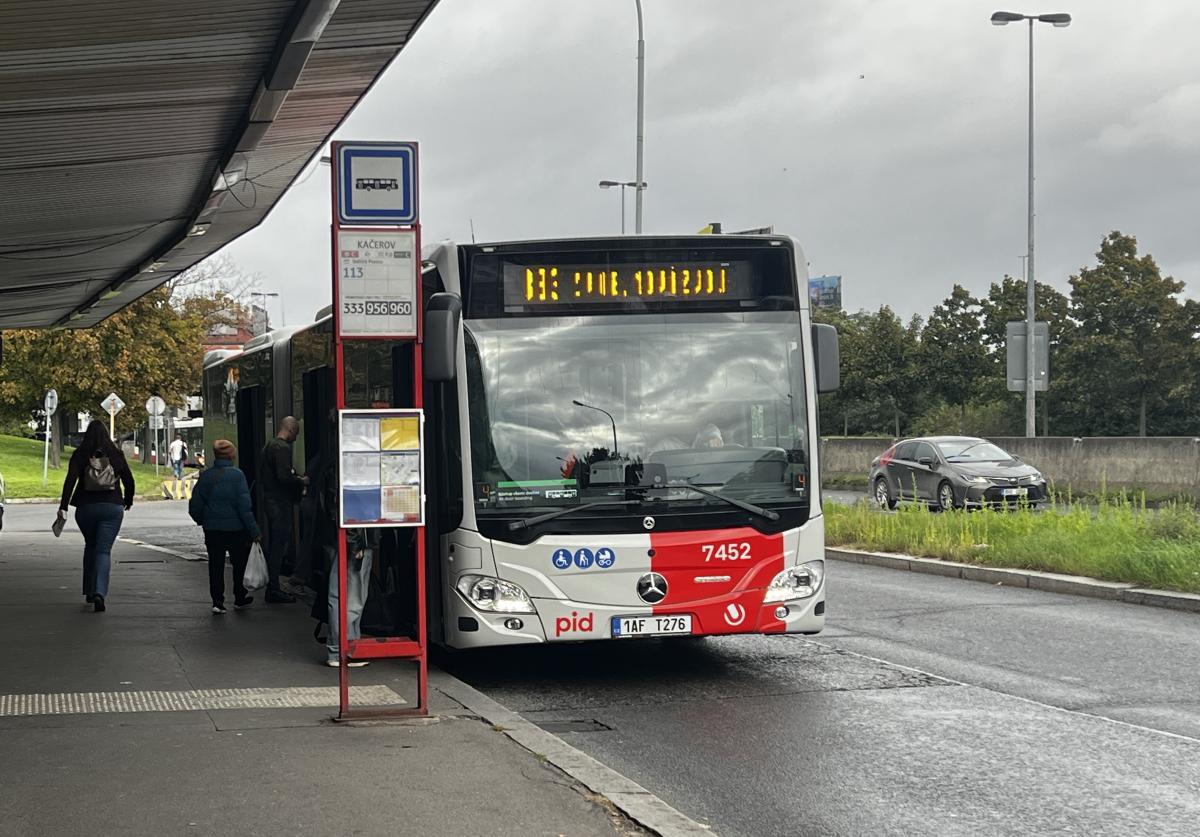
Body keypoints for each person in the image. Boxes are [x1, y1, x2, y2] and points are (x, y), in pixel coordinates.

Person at [58, 420, 135, 612]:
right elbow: (129, 480)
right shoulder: (116, 454)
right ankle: (100, 592)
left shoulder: (80, 454)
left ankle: (90, 591)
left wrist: (63, 506)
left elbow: (70, 481)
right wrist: (128, 500)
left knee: (91, 546)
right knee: (103, 550)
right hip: (112, 507)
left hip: (86, 508)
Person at [189, 439, 260, 614]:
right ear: (231, 455)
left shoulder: (206, 476)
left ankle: (217, 601)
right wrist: (254, 531)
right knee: (239, 563)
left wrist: (203, 520)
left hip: (213, 529)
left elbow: (195, 505)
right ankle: (239, 597)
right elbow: (245, 507)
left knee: (215, 565)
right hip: (236, 529)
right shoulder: (238, 476)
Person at [258, 416, 308, 604]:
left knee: (275, 544)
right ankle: (274, 589)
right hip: (280, 503)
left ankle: (273, 587)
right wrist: (301, 481)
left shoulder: (268, 446)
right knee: (279, 545)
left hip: (270, 501)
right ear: (291, 430)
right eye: (296, 434)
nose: (295, 438)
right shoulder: (282, 449)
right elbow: (283, 476)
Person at [326, 529, 374, 668]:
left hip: (343, 539)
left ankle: (341, 649)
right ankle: (346, 650)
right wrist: (357, 544)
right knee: (353, 599)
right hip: (354, 542)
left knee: (340, 596)